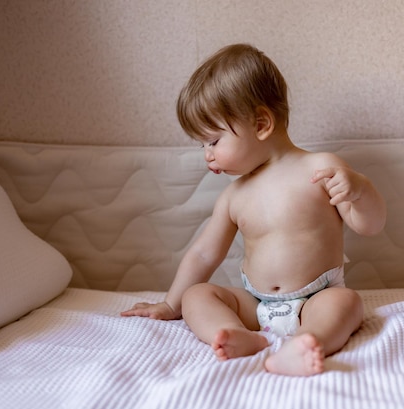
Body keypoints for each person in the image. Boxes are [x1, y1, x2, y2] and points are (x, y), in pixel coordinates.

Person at [121, 43, 386, 376]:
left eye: (214, 141)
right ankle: (242, 336)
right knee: (197, 296)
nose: (207, 155)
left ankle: (304, 343)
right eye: (202, 144)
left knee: (347, 304)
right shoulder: (234, 196)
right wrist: (171, 303)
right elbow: (204, 255)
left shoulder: (322, 169)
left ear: (261, 124)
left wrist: (360, 189)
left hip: (316, 299)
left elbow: (370, 225)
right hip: (256, 304)